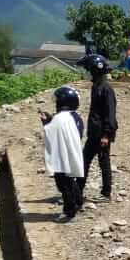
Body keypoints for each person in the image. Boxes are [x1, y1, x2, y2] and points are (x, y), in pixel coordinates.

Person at [38, 86, 85, 222]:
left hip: (61, 156)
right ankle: (78, 202)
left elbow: (52, 132)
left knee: (64, 184)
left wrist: (46, 122)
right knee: (71, 181)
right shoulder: (74, 116)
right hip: (72, 153)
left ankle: (69, 212)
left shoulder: (60, 118)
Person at [77, 53, 118, 202]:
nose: (87, 73)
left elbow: (110, 114)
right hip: (94, 133)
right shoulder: (96, 86)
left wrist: (106, 134)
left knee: (103, 162)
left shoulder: (106, 89)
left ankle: (106, 193)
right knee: (85, 160)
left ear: (95, 70)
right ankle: (78, 191)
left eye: (88, 70)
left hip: (101, 134)